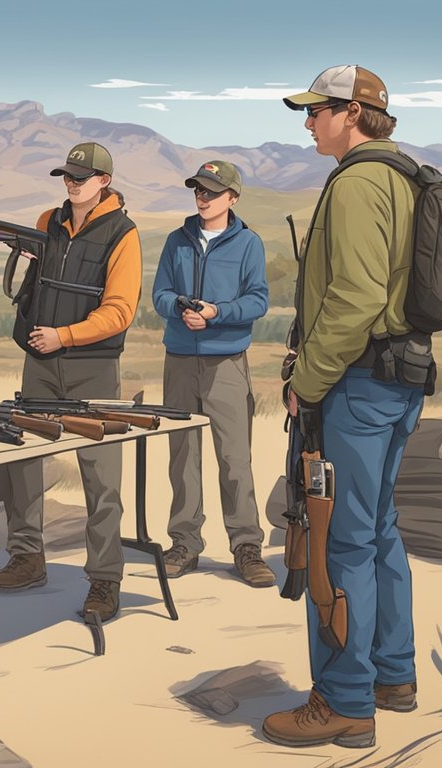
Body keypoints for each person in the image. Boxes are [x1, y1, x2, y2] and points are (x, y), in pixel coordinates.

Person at [262, 65, 423, 749]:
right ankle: (393, 675)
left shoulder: (358, 183)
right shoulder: (406, 178)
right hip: (397, 381)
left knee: (339, 540)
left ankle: (345, 703)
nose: (308, 124)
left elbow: (355, 297)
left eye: (317, 112)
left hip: (354, 386)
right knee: (379, 527)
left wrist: (311, 379)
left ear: (353, 113)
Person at [0, 142, 142, 622]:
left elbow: (120, 311)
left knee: (100, 474)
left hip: (91, 365)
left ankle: (104, 580)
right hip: (40, 359)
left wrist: (65, 336)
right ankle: (27, 557)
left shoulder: (123, 233)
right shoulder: (47, 220)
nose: (71, 183)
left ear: (104, 181)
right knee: (24, 463)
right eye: (67, 176)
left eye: (81, 176)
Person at [151, 160, 273, 587]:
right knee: (183, 457)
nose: (202, 197)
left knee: (234, 458)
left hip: (227, 364)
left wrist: (218, 314)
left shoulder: (248, 245)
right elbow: (159, 294)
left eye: (211, 191)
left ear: (232, 198)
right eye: (198, 190)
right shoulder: (176, 241)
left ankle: (246, 546)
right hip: (180, 361)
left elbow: (259, 301)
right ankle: (184, 544)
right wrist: (181, 309)